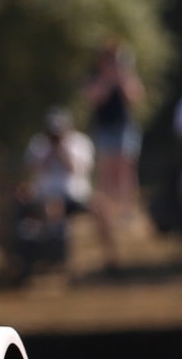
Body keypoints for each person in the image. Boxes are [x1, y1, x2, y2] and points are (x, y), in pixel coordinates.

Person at [16, 107, 118, 276]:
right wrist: (50, 152)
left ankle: (112, 259)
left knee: (103, 208)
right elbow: (33, 170)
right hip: (47, 197)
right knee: (52, 210)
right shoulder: (38, 144)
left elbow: (77, 169)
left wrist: (61, 150)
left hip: (77, 195)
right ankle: (54, 260)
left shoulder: (81, 142)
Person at [82, 38, 145, 221]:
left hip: (124, 127)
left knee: (126, 169)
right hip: (103, 128)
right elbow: (93, 98)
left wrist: (122, 77)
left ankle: (127, 212)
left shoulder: (125, 76)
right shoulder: (95, 77)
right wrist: (108, 80)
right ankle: (107, 212)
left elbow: (136, 97)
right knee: (106, 171)